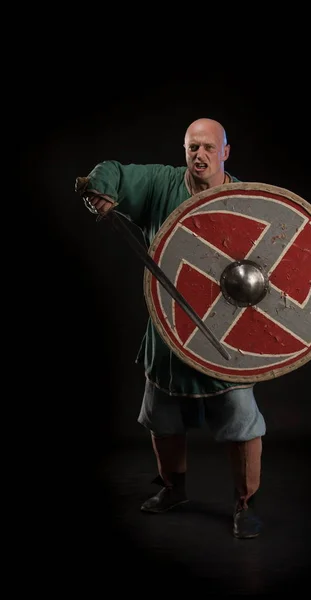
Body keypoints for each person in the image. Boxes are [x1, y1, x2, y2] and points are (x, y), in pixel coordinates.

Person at [75, 118, 266, 539]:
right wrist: (101, 189)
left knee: (240, 418)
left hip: (224, 335)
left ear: (226, 153)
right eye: (192, 147)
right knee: (163, 418)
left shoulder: (247, 201)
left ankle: (244, 504)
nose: (200, 155)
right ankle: (173, 489)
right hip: (170, 330)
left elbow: (269, 278)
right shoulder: (162, 185)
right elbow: (115, 171)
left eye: (208, 148)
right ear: (184, 150)